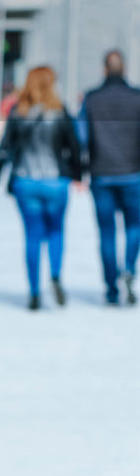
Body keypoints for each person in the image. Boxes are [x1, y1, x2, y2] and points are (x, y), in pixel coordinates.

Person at [0, 65, 82, 310]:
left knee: (32, 235)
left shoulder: (18, 112)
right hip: (56, 181)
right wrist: (79, 176)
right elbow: (74, 147)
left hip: (25, 181)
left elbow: (5, 147)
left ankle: (34, 291)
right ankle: (55, 275)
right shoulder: (60, 112)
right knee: (56, 231)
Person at [77, 49, 140, 306]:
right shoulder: (137, 97)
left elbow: (81, 136)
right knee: (135, 227)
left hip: (101, 174)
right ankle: (129, 269)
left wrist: (81, 169)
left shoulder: (91, 98)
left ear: (104, 69)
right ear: (123, 69)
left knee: (106, 233)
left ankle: (111, 288)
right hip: (134, 174)